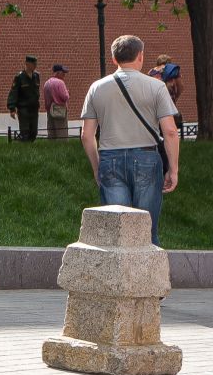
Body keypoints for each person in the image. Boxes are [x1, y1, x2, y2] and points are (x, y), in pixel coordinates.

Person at [82, 33, 181, 244]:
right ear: (141, 56)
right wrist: (173, 169)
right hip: (146, 157)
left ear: (114, 59)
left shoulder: (96, 88)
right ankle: (148, 277)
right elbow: (170, 132)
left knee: (117, 235)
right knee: (146, 232)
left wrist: (96, 166)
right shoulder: (157, 87)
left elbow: (87, 135)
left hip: (110, 159)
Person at [8, 56, 42, 143]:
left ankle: (29, 145)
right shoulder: (19, 77)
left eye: (36, 63)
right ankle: (24, 147)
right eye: (33, 64)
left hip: (34, 107)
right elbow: (13, 92)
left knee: (34, 131)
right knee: (25, 130)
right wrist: (12, 108)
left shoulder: (36, 75)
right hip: (23, 107)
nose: (35, 65)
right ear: (27, 64)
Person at [45, 64, 72, 140]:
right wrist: (67, 92)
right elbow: (65, 97)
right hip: (60, 110)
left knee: (51, 132)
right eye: (63, 73)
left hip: (50, 110)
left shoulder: (47, 83)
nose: (64, 75)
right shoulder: (60, 83)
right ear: (58, 72)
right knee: (62, 133)